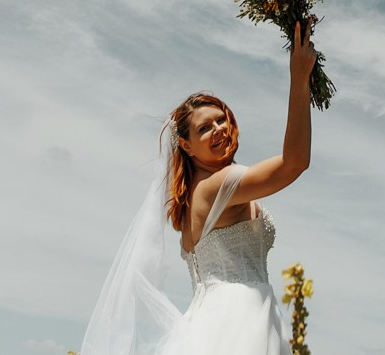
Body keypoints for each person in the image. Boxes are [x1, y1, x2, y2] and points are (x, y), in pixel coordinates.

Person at [78, 20, 318, 355]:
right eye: (205, 128)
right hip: (238, 319)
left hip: (221, 318)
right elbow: (294, 163)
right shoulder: (216, 186)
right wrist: (300, 78)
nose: (219, 129)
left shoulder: (196, 192)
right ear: (187, 146)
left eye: (222, 120)